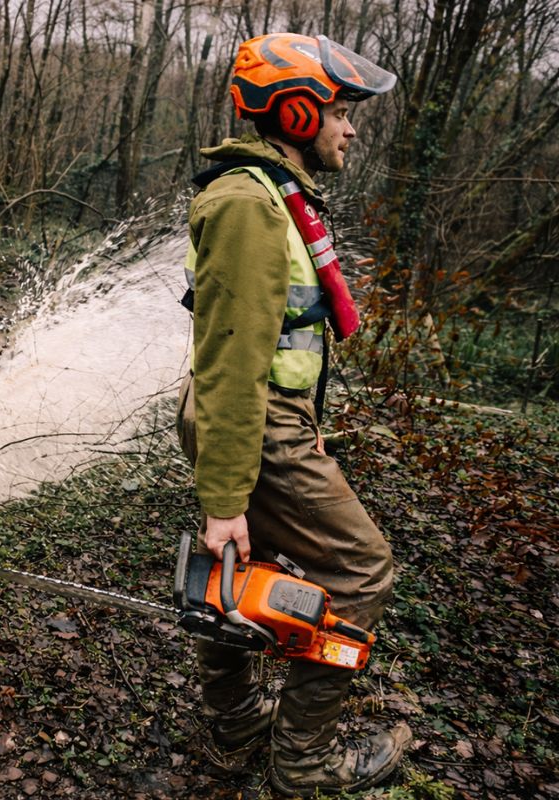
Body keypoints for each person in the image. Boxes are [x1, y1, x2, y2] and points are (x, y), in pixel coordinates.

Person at [174, 32, 412, 797]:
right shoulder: (250, 204)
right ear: (300, 112)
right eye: (343, 113)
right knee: (361, 568)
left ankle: (236, 727)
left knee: (239, 573)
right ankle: (301, 764)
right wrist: (223, 500)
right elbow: (233, 361)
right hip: (255, 415)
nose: (351, 130)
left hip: (265, 415)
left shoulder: (276, 196)